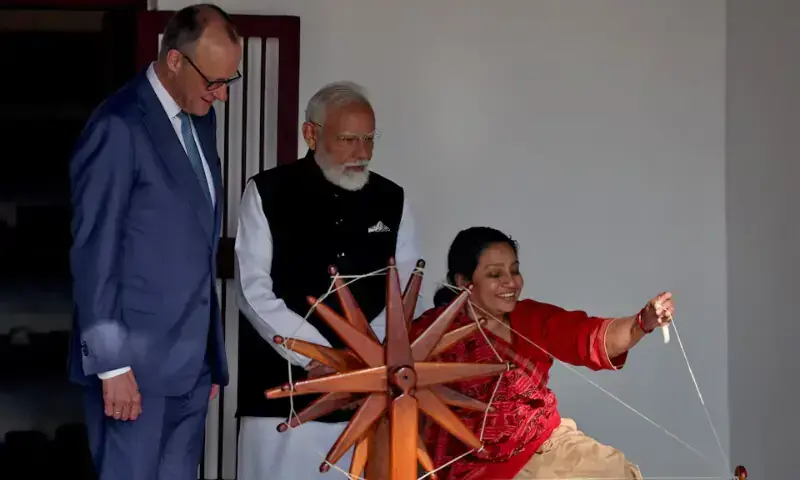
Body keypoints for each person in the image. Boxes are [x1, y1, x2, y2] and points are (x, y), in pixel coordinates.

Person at [67, 5, 241, 479]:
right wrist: (111, 366)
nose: (221, 96)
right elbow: (93, 253)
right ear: (175, 61)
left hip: (192, 364)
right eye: (214, 81)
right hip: (132, 371)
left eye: (231, 81)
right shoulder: (117, 126)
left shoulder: (200, 118)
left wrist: (208, 354)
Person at [234, 81, 422, 479]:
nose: (364, 152)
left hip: (367, 390)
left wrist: (361, 358)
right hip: (281, 390)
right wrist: (320, 358)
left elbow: (401, 290)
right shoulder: (268, 191)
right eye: (350, 139)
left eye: (370, 138)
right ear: (311, 133)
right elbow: (253, 291)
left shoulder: (393, 198)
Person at [411, 226, 674, 480]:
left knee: (615, 472)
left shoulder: (531, 318)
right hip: (472, 464)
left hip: (544, 441)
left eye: (514, 271)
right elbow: (385, 379)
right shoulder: (428, 333)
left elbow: (587, 336)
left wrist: (644, 321)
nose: (510, 282)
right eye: (495, 274)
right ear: (464, 282)